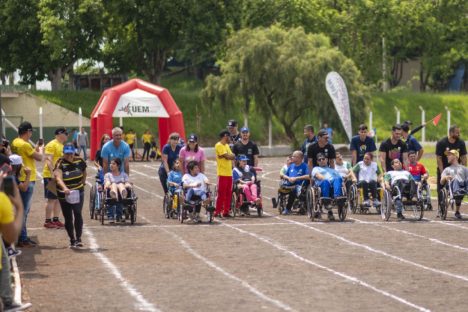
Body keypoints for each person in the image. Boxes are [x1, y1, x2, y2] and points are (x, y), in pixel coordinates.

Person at [0, 166, 31, 311]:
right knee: (4, 263)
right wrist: (19, 208)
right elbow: (11, 236)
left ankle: (7, 300)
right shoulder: (2, 201)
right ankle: (7, 302)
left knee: (5, 262)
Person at [11, 121, 42, 248]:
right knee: (24, 210)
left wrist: (36, 148)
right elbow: (39, 157)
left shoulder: (15, 142)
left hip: (19, 176)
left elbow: (29, 154)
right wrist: (41, 147)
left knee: (21, 208)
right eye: (30, 132)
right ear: (27, 131)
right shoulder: (25, 145)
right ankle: (22, 237)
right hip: (27, 177)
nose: (30, 134)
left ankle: (21, 235)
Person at [54, 143, 87, 247]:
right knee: (68, 217)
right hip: (64, 194)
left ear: (74, 152)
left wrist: (83, 182)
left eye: (70, 153)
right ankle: (72, 238)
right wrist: (65, 188)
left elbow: (84, 172)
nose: (69, 156)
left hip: (78, 191)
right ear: (63, 153)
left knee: (77, 213)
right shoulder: (60, 162)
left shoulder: (80, 160)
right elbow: (58, 178)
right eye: (66, 154)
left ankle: (78, 238)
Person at [42, 127, 68, 229]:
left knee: (58, 199)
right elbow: (48, 160)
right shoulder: (52, 144)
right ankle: (48, 221)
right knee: (51, 199)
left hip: (59, 176)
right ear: (59, 134)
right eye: (65, 133)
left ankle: (55, 219)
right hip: (51, 175)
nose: (67, 135)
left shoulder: (61, 145)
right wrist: (53, 172)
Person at [436, 125, 467, 206]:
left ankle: (457, 208)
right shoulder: (441, 143)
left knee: (460, 183)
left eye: (459, 133)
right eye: (457, 133)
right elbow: (439, 158)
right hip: (444, 167)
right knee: (440, 187)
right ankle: (441, 207)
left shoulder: (461, 143)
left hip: (457, 168)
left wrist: (462, 169)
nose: (459, 134)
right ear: (451, 133)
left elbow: (464, 157)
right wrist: (443, 172)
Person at [311, 153, 343, 220]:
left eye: (323, 159)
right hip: (322, 185)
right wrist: (327, 180)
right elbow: (318, 176)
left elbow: (340, 179)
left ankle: (337, 198)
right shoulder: (316, 168)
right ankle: (326, 201)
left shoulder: (333, 170)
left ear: (327, 160)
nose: (322, 160)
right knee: (325, 181)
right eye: (319, 160)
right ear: (317, 161)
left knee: (338, 179)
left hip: (334, 187)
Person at [440, 149, 468, 219]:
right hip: (452, 187)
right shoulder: (447, 169)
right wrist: (446, 177)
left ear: (455, 156)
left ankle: (457, 211)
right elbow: (441, 182)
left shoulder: (464, 168)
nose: (447, 157)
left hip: (463, 186)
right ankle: (458, 191)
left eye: (449, 155)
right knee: (455, 179)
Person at [215, 130, 235, 218]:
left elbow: (232, 156)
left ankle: (226, 211)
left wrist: (229, 156)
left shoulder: (226, 145)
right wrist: (229, 156)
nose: (230, 138)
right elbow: (228, 156)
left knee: (228, 193)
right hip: (222, 173)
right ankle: (217, 211)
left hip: (229, 173)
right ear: (225, 136)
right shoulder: (218, 145)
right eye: (229, 136)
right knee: (221, 194)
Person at [104, 158, 132, 223]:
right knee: (114, 184)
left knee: (120, 184)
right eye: (111, 163)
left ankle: (123, 193)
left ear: (118, 166)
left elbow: (127, 182)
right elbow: (107, 182)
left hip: (121, 192)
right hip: (111, 191)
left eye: (113, 164)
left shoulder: (123, 174)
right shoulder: (108, 175)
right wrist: (108, 185)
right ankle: (114, 194)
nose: (111, 165)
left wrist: (128, 185)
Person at [282, 151, 310, 215]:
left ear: (299, 158)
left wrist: (296, 178)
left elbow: (308, 176)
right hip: (289, 184)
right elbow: (284, 175)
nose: (292, 158)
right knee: (284, 188)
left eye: (294, 156)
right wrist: (289, 178)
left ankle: (288, 208)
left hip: (300, 185)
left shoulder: (305, 166)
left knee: (294, 190)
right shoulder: (291, 166)